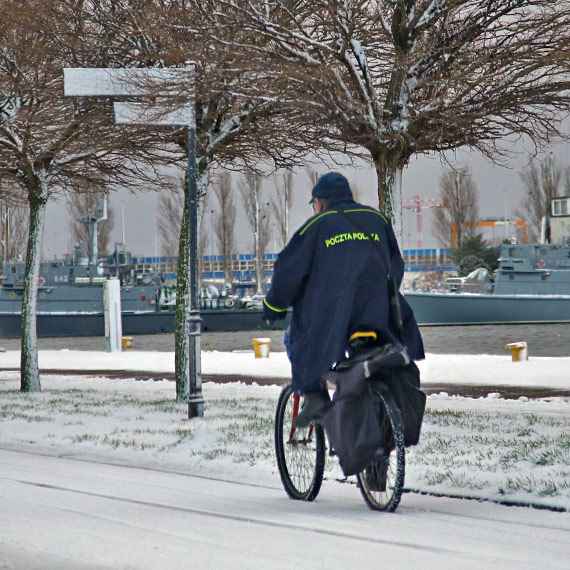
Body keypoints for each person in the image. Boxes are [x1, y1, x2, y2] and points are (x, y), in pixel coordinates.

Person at [263, 172, 424, 427]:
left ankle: (314, 395)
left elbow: (288, 271)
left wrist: (273, 306)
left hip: (334, 317)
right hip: (379, 316)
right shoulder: (377, 220)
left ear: (320, 201)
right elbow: (396, 265)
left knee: (295, 336)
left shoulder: (315, 227)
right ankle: (377, 453)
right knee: (375, 361)